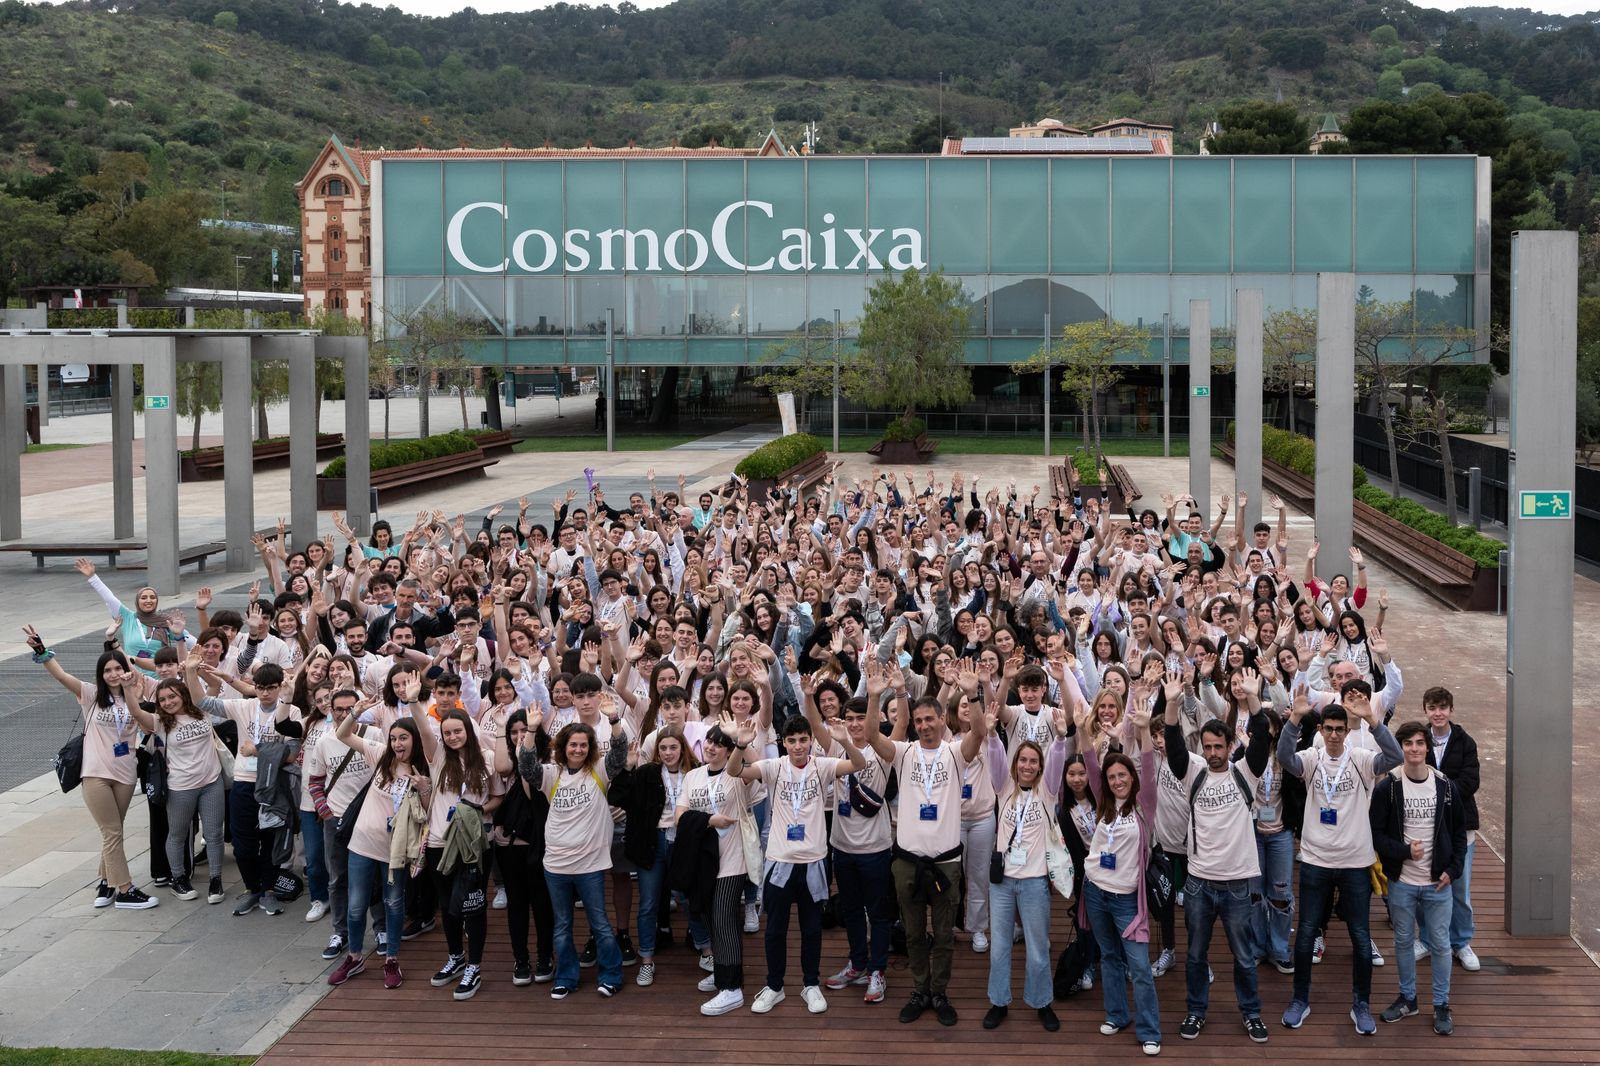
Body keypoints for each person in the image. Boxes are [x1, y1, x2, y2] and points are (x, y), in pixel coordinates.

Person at [1277, 681, 1403, 1034]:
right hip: (1315, 860)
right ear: (1321, 730)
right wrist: (1294, 720)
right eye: (1329, 729)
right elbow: (1284, 758)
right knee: (1305, 934)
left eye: (1340, 729)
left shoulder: (1361, 759)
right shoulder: (1311, 758)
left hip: (1355, 862)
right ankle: (1299, 1000)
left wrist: (1373, 721)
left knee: (1360, 936)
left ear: (1347, 732)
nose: (1334, 735)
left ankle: (1361, 1004)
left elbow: (1394, 757)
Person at [1159, 669, 1272, 1045]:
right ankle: (1196, 1010)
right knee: (1195, 955)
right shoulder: (1193, 772)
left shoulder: (1246, 773)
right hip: (1198, 883)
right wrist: (1171, 703)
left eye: (1218, 747)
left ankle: (1252, 1013)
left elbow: (1262, 736)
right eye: (1207, 747)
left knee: (1244, 956)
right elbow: (1174, 743)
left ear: (1229, 746)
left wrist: (1253, 698)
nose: (1212, 753)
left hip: (1238, 882)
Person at [864, 694, 988, 1028]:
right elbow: (872, 735)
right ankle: (920, 990)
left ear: (942, 720)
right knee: (914, 934)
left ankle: (939, 993)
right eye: (918, 721)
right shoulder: (903, 752)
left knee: (944, 936)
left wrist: (974, 695)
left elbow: (979, 732)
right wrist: (874, 696)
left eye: (929, 719)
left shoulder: (955, 752)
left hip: (945, 862)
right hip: (908, 861)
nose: (923, 726)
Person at [734, 713, 868, 1014]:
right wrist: (740, 746)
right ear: (784, 742)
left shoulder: (822, 765)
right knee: (775, 930)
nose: (798, 746)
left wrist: (845, 741)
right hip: (780, 861)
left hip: (813, 862)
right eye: (792, 740)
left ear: (810, 741)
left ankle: (810, 984)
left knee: (811, 929)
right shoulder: (774, 766)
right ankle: (775, 986)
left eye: (803, 740)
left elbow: (858, 764)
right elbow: (734, 771)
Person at [25, 626, 159, 910]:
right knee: (112, 832)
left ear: (126, 670)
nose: (113, 674)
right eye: (107, 670)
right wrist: (42, 651)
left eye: (117, 668)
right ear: (101, 674)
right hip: (96, 774)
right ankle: (125, 890)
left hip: (126, 774)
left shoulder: (134, 697)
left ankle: (106, 881)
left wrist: (132, 692)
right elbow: (62, 676)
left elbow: (147, 725)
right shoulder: (91, 694)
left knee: (114, 830)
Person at [517, 702, 630, 999]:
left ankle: (611, 975)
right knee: (562, 926)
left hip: (590, 864)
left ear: (590, 748)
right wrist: (531, 729)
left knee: (600, 923)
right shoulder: (551, 773)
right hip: (556, 864)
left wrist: (614, 718)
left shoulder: (600, 771)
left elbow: (620, 752)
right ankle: (566, 977)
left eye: (583, 745)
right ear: (563, 747)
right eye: (572, 744)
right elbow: (526, 767)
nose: (578, 749)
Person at [327, 697, 432, 989]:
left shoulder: (424, 770)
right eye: (394, 738)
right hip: (361, 844)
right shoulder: (381, 755)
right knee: (356, 905)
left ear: (415, 740)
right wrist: (356, 713)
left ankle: (391, 959)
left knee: (394, 904)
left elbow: (427, 814)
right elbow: (343, 735)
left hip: (395, 852)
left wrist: (424, 789)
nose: (398, 743)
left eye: (404, 738)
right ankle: (354, 957)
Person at [1370, 720, 1467, 1036]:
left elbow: (1459, 834)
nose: (1414, 748)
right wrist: (1403, 852)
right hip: (1402, 882)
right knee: (1402, 941)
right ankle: (1408, 998)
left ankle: (1441, 1004)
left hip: (1437, 883)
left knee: (1440, 943)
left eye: (1419, 743)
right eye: (1408, 743)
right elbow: (1376, 834)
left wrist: (1453, 870)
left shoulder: (1445, 786)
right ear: (1401, 748)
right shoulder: (1389, 787)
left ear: (1427, 747)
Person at [982, 719, 1069, 1033]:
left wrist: (1060, 739)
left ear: (1040, 766)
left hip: (1034, 882)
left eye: (1033, 761)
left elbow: (1056, 762)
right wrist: (992, 734)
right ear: (1015, 763)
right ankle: (999, 1001)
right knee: (999, 947)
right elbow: (994, 758)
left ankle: (1041, 1001)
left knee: (1038, 948)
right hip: (1002, 883)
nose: (1027, 766)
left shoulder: (1048, 792)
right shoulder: (1004, 788)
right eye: (1022, 760)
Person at [1082, 745, 1161, 1056]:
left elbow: (1148, 768)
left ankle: (1149, 1030)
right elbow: (1091, 763)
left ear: (1132, 777)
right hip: (1095, 891)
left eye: (1122, 775)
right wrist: (1081, 729)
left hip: (1127, 899)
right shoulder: (1104, 802)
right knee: (1109, 956)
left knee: (1139, 966)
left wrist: (1144, 731)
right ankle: (1116, 1014)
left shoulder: (1144, 805)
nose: (1117, 781)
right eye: (1112, 776)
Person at [675, 718, 756, 1016]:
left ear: (728, 750)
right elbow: (680, 816)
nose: (711, 747)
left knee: (724, 921)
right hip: (702, 861)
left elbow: (754, 765)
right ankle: (723, 969)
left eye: (719, 744)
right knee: (710, 919)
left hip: (732, 860)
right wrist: (709, 820)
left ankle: (732, 988)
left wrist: (741, 741)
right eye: (709, 741)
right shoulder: (693, 776)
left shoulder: (737, 774)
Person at [306, 688, 386, 962]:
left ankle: (381, 929)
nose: (344, 714)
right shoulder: (324, 742)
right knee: (338, 878)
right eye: (339, 709)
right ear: (331, 711)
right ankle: (340, 932)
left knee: (376, 876)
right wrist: (326, 813)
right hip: (337, 819)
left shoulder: (374, 735)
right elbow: (315, 782)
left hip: (370, 817)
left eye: (350, 709)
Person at [1422, 687, 1481, 973]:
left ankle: (1461, 942)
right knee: (1424, 886)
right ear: (1425, 710)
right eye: (1433, 708)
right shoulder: (1418, 739)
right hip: (1424, 825)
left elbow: (1471, 782)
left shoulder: (1465, 742)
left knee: (1460, 890)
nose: (1438, 713)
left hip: (1460, 825)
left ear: (1451, 710)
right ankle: (1426, 938)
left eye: (1443, 707)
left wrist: (1436, 790)